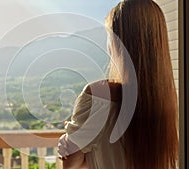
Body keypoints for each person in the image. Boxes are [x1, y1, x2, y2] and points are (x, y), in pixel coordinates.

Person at [57, 0, 179, 169]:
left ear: (118, 44)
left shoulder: (99, 97)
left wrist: (69, 143)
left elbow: (72, 165)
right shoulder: (168, 104)